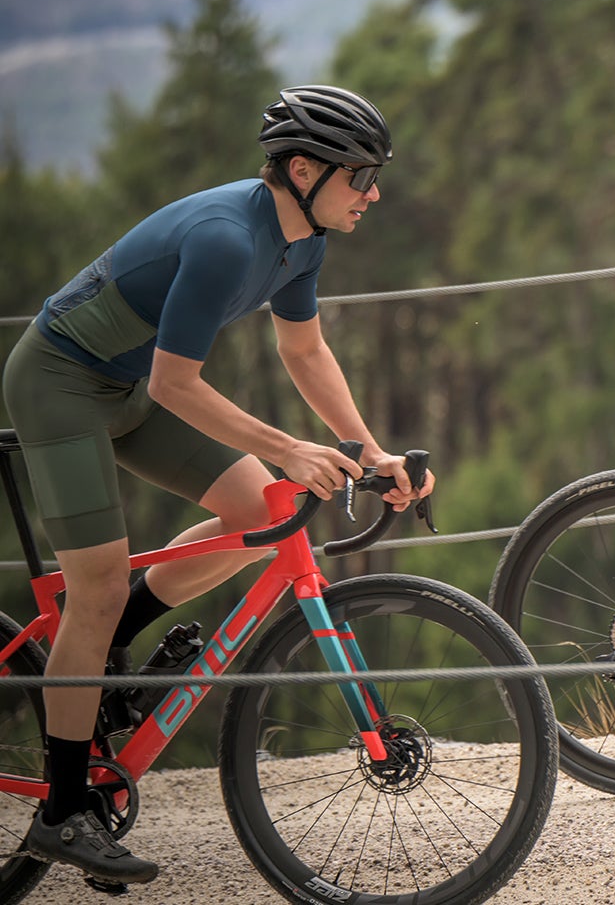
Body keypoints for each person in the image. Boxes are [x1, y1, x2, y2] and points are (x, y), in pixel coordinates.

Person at [1, 84, 431, 887]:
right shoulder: (229, 238)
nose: (372, 194)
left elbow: (305, 354)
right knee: (92, 586)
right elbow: (175, 384)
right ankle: (61, 811)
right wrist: (289, 446)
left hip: (125, 388)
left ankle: (110, 650)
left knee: (255, 509)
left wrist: (368, 454)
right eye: (361, 176)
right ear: (304, 169)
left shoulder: (304, 241)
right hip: (60, 382)